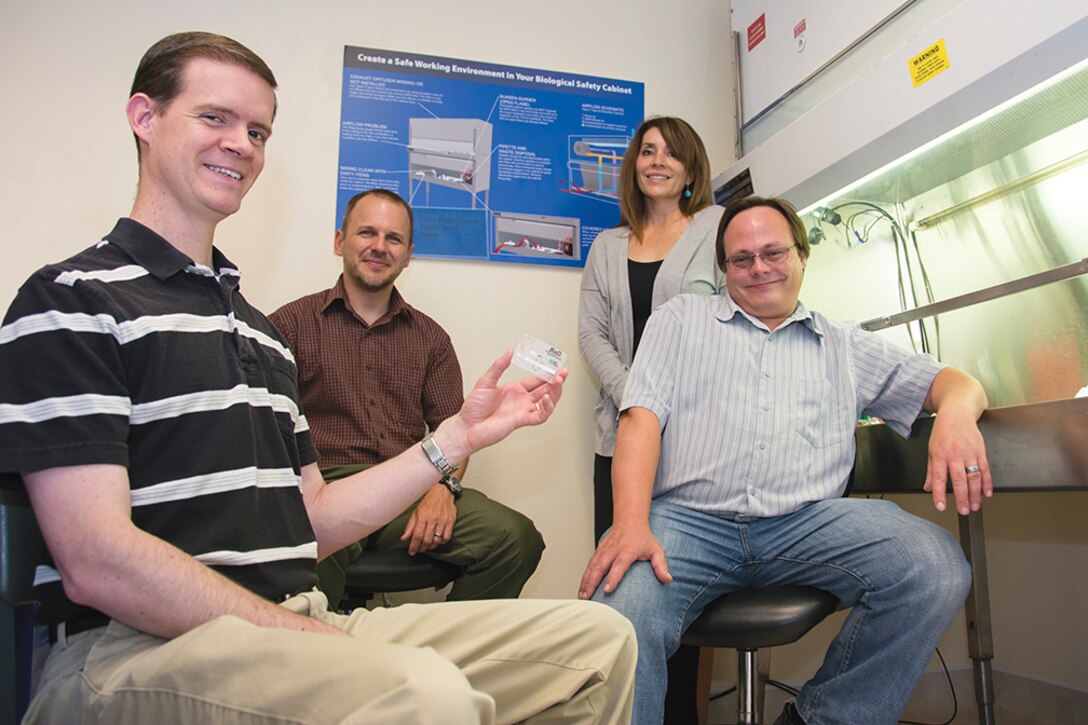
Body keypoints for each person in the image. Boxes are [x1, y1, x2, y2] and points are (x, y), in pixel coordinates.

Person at [0, 31, 635, 724]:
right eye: (214, 117)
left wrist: (454, 439)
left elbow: (312, 520)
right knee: (425, 691)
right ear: (145, 118)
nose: (241, 144)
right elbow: (96, 557)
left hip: (291, 615)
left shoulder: (259, 333)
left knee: (597, 642)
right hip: (138, 649)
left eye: (258, 130)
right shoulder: (73, 299)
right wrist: (304, 636)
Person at [578, 195, 993, 725]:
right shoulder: (679, 319)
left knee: (934, 567)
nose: (758, 268)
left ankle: (821, 718)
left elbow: (953, 383)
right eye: (741, 259)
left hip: (806, 524)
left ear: (801, 256)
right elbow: (639, 419)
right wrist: (631, 524)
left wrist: (956, 415)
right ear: (723, 268)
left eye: (773, 253)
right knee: (621, 614)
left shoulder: (842, 343)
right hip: (688, 522)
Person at [270, 188, 544, 607]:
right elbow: (265, 428)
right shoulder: (289, 325)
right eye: (367, 233)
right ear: (340, 241)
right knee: (296, 552)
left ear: (408, 253)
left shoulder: (430, 339)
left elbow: (456, 431)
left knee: (515, 539)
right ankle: (326, 661)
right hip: (325, 489)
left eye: (393, 239)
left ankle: (448, 661)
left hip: (409, 484)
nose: (379, 247)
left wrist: (444, 488)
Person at [578, 115, 723, 722]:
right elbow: (590, 333)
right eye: (646, 152)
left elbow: (727, 322)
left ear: (691, 168)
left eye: (670, 153)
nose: (655, 161)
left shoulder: (716, 229)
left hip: (692, 444)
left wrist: (664, 403)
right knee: (619, 588)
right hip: (618, 441)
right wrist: (637, 397)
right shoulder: (607, 246)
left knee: (677, 591)